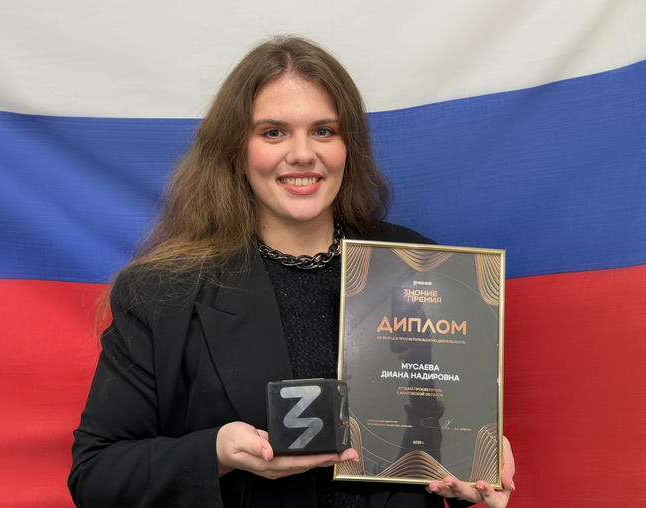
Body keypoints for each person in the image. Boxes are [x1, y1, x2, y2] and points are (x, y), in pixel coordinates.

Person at [68, 35, 515, 508]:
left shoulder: (423, 266)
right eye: (273, 132)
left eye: (323, 131)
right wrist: (216, 454)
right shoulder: (163, 291)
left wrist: (474, 473)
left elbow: (437, 429)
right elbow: (96, 475)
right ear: (235, 152)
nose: (302, 154)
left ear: (348, 147)